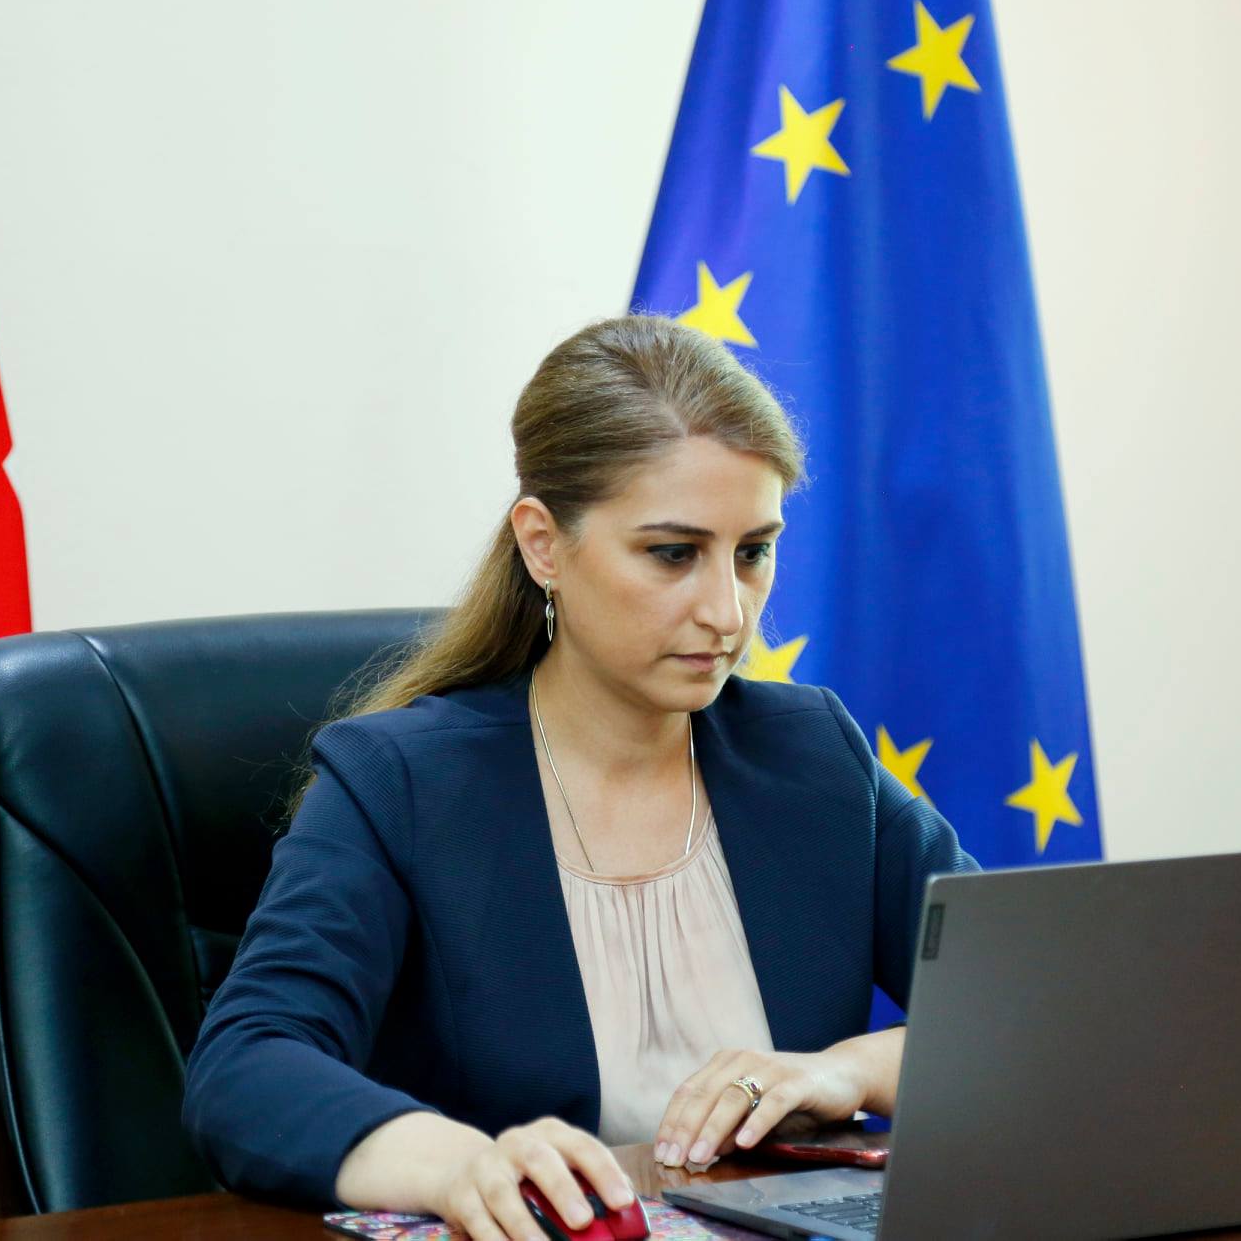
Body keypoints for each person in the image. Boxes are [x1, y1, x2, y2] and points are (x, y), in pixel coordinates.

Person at [182, 314, 978, 1240]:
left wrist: (850, 1070)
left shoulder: (815, 754)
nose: (728, 612)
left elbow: (1039, 1004)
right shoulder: (398, 782)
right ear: (543, 545)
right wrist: (460, 1164)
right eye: (673, 553)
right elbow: (247, 1064)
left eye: (753, 551)